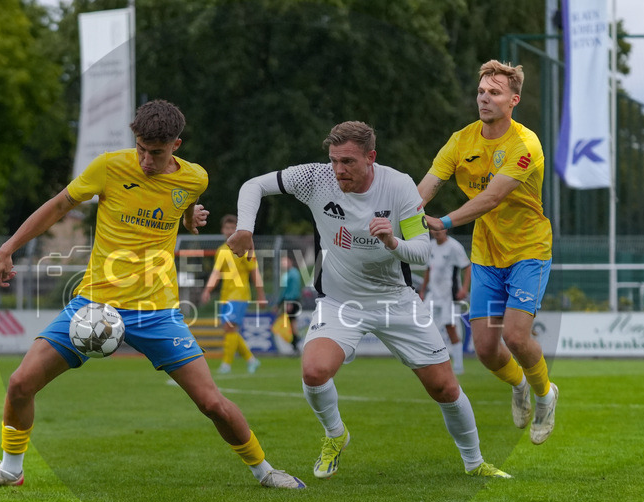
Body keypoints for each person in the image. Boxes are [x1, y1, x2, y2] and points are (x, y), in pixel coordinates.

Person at [0, 100, 305, 489]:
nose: (144, 160)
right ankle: (10, 469)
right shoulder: (108, 167)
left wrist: (190, 217)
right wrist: (9, 247)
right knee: (21, 383)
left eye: (155, 153)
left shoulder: (195, 178)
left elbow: (185, 200)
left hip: (157, 311)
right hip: (93, 304)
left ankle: (265, 472)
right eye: (139, 148)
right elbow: (59, 206)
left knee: (211, 403)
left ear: (176, 144)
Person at [228, 121, 510, 480]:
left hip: (396, 300)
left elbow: (421, 253)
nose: (339, 170)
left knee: (444, 387)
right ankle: (335, 435)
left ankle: (474, 463)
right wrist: (245, 228)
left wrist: (393, 242)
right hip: (340, 301)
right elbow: (255, 185)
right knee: (314, 371)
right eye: (334, 160)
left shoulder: (399, 186)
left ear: (370, 158)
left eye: (348, 161)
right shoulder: (316, 178)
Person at [418, 60, 558, 445]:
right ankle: (520, 385)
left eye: (494, 92)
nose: (484, 98)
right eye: (481, 91)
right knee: (484, 349)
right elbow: (426, 188)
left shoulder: (525, 144)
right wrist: (401, 216)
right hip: (485, 253)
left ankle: (545, 395)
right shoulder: (461, 140)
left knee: (515, 337)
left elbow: (492, 197)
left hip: (529, 248)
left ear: (513, 100)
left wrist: (443, 223)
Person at [200, 214, 266, 374]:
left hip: (239, 294)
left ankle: (226, 364)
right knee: (230, 330)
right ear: (223, 230)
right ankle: (251, 359)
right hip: (225, 295)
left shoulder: (244, 247)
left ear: (237, 230)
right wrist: (208, 290)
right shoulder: (221, 250)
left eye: (232, 228)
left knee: (229, 328)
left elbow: (254, 272)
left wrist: (261, 295)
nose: (229, 231)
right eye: (227, 228)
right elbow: (216, 273)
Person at [418, 227, 471, 375]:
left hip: (449, 295)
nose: (436, 232)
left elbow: (467, 267)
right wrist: (423, 289)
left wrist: (464, 289)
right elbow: (429, 269)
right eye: (434, 229)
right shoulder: (431, 246)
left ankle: (459, 366)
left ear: (446, 230)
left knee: (450, 328)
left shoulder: (454, 247)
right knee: (424, 324)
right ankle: (429, 361)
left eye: (439, 229)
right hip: (433, 295)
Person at [272, 255, 303, 353]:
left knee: (291, 322)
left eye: (285, 262)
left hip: (291, 301)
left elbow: (288, 290)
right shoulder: (293, 273)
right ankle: (295, 342)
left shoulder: (291, 274)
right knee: (292, 322)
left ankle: (295, 341)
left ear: (290, 262)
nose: (283, 265)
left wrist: (287, 303)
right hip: (293, 300)